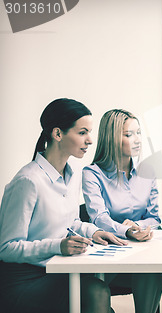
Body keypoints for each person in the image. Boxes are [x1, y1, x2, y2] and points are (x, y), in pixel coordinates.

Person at [0, 98, 126, 313]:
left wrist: (94, 231)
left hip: (59, 268)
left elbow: (71, 222)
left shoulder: (73, 174)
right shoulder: (28, 181)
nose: (90, 140)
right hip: (25, 281)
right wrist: (58, 245)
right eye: (82, 132)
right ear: (58, 134)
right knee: (96, 292)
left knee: (100, 292)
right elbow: (7, 248)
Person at [82, 109, 162, 313]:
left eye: (138, 133)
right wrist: (125, 230)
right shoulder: (92, 174)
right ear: (111, 139)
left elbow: (154, 218)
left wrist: (139, 226)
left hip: (141, 254)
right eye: (129, 135)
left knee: (154, 271)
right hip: (107, 257)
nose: (137, 140)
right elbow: (99, 218)